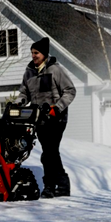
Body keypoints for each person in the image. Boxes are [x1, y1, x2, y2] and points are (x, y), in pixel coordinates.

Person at [17, 37, 76, 198]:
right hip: (39, 120)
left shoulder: (55, 70)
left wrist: (57, 108)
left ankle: (49, 186)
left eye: (36, 53)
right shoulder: (29, 72)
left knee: (49, 151)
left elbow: (70, 91)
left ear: (44, 54)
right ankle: (62, 185)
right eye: (32, 53)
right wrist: (19, 103)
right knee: (49, 152)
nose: (33, 56)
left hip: (56, 119)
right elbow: (24, 93)